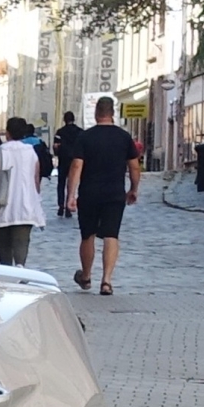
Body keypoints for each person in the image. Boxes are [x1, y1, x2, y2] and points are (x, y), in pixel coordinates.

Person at [66, 95, 142, 294]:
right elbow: (134, 166)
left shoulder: (85, 137)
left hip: (89, 193)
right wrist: (134, 189)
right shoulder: (124, 137)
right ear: (113, 113)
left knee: (87, 235)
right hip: (114, 193)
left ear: (96, 113)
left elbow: (76, 166)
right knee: (111, 234)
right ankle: (107, 281)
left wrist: (71, 195)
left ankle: (86, 276)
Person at [0, 116, 48, 266]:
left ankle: (8, 274)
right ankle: (20, 271)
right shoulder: (31, 152)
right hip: (25, 205)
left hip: (2, 205)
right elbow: (36, 179)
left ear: (7, 133)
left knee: (4, 250)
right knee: (22, 245)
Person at [53, 110, 86, 216]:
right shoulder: (80, 132)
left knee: (61, 183)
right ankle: (69, 205)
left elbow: (55, 146)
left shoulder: (60, 132)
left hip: (63, 160)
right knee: (71, 184)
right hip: (76, 160)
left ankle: (61, 205)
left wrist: (57, 153)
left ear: (64, 120)